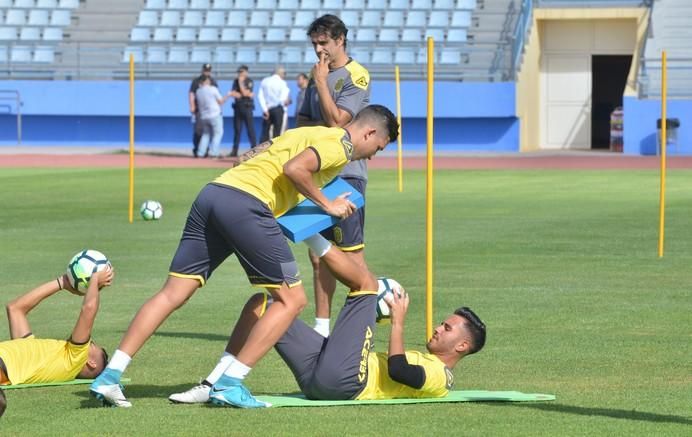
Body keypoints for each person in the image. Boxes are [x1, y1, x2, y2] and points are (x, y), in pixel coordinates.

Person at [89, 104, 400, 409]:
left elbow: (250, 155)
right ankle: (230, 384)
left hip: (214, 194)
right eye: (379, 146)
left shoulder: (311, 133)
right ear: (370, 131)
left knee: (172, 293)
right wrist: (328, 205)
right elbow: (295, 169)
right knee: (292, 300)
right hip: (247, 205)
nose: (373, 155)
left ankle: (110, 375)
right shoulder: (339, 146)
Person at [169, 233, 486, 404]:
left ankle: (310, 233)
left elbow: (400, 371)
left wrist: (398, 321)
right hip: (320, 375)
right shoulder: (429, 359)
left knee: (367, 285)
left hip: (347, 383)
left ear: (461, 346)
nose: (436, 328)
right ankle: (214, 384)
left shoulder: (441, 377)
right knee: (264, 305)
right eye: (442, 323)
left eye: (446, 328)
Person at [297, 14, 372, 338]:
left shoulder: (354, 75)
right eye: (314, 43)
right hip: (318, 173)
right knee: (318, 256)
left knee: (352, 258)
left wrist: (321, 82)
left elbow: (339, 123)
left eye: (324, 42)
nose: (318, 49)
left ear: (340, 39)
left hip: (347, 174)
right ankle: (323, 327)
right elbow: (303, 121)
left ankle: (368, 313)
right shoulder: (318, 75)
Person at [0, 268, 114, 388]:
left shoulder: (74, 359)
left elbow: (88, 309)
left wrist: (94, 280)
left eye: (91, 344)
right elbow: (15, 309)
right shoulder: (33, 355)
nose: (88, 340)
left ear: (91, 363)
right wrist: (62, 282)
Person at [195, 76, 232, 158]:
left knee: (205, 134)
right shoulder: (213, 89)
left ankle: (200, 152)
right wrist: (228, 95)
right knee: (218, 133)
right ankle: (213, 152)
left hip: (204, 116)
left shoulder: (198, 91)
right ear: (206, 81)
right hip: (214, 114)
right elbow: (221, 101)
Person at [188, 64, 219, 158]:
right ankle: (197, 149)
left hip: (211, 111)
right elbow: (191, 94)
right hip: (199, 110)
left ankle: (206, 150)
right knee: (198, 130)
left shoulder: (213, 81)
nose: (207, 72)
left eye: (208, 70)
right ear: (202, 70)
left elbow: (216, 95)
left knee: (209, 132)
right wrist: (192, 106)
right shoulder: (196, 81)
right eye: (205, 70)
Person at [229, 65, 257, 157]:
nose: (239, 74)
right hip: (238, 108)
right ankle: (234, 151)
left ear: (246, 72)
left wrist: (241, 84)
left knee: (250, 129)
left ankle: (254, 150)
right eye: (239, 72)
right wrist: (241, 94)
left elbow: (245, 93)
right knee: (237, 130)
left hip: (247, 107)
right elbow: (232, 93)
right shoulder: (235, 81)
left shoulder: (249, 81)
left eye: (241, 72)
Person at [257, 66, 291, 143]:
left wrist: (265, 109)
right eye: (284, 73)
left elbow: (260, 96)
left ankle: (261, 151)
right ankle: (275, 151)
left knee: (265, 132)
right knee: (277, 133)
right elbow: (283, 98)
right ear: (280, 73)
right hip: (278, 109)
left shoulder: (265, 81)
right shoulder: (282, 83)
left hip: (267, 109)